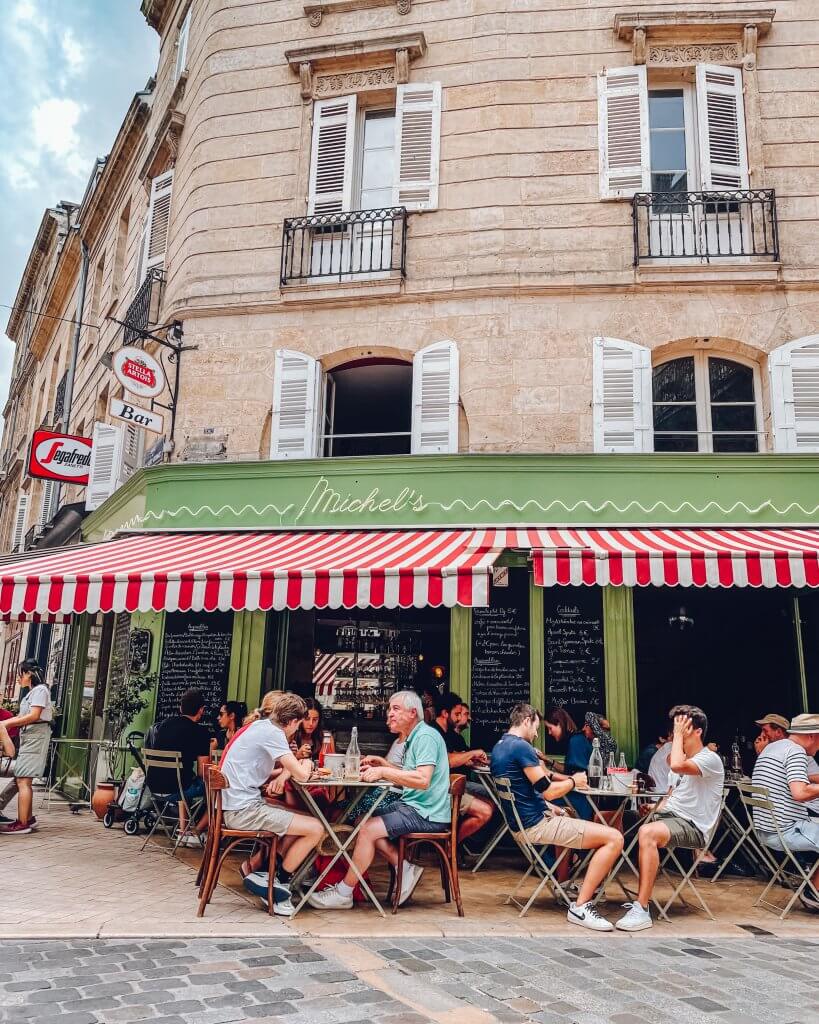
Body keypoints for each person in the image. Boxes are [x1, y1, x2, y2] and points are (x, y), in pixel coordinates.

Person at [308, 690, 451, 911]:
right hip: (413, 805)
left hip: (426, 812)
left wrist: (383, 773)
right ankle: (403, 867)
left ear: (413, 713)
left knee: (367, 829)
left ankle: (344, 893)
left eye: (396, 709)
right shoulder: (417, 736)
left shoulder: (425, 737)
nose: (389, 714)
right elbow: (409, 775)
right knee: (360, 821)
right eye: (389, 709)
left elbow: (422, 780)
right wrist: (384, 765)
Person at [491, 702, 624, 932]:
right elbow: (548, 790)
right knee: (614, 837)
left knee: (568, 812)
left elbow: (523, 790)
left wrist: (549, 806)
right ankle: (581, 906)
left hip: (522, 825)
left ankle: (565, 883)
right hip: (537, 825)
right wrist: (574, 781)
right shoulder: (521, 747)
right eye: (535, 727)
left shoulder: (500, 747)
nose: (536, 733)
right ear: (527, 720)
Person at [616, 705, 725, 932]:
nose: (676, 731)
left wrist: (675, 737)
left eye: (681, 726)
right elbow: (670, 796)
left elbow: (677, 764)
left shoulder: (710, 759)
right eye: (675, 726)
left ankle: (642, 908)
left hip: (692, 825)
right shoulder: (680, 759)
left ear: (697, 731)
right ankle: (595, 894)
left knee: (648, 833)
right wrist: (653, 809)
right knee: (609, 819)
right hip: (670, 815)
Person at [220, 691, 324, 916]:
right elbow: (302, 774)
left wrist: (289, 770)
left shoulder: (261, 727)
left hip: (238, 805)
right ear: (293, 721)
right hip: (244, 811)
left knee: (299, 817)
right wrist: (305, 763)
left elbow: (265, 770)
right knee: (317, 828)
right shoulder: (274, 734)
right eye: (299, 724)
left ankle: (270, 875)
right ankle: (280, 883)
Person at [751, 712, 819, 911]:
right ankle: (814, 893)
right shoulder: (796, 751)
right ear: (813, 735)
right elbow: (800, 792)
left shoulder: (771, 748)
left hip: (767, 830)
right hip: (785, 831)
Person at [146, 688, 212, 846]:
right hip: (177, 789)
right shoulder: (201, 733)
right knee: (216, 789)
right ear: (201, 710)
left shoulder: (163, 725)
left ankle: (184, 830)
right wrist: (210, 749)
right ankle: (198, 832)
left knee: (184, 779)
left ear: (181, 708)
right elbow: (203, 773)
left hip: (153, 788)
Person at [432, 695, 493, 846]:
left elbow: (455, 755)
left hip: (447, 788)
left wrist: (467, 757)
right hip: (436, 792)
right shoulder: (434, 733)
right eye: (457, 714)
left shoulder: (447, 733)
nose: (459, 718)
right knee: (485, 811)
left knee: (490, 804)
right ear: (445, 713)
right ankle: (452, 847)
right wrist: (472, 753)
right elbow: (447, 760)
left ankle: (455, 844)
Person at [0, 660, 52, 835]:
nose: (18, 678)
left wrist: (6, 723)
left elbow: (34, 715)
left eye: (20, 674)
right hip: (31, 736)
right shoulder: (34, 692)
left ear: (29, 673)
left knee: (23, 780)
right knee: (23, 778)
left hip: (35, 735)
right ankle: (27, 819)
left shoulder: (40, 690)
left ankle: (22, 823)